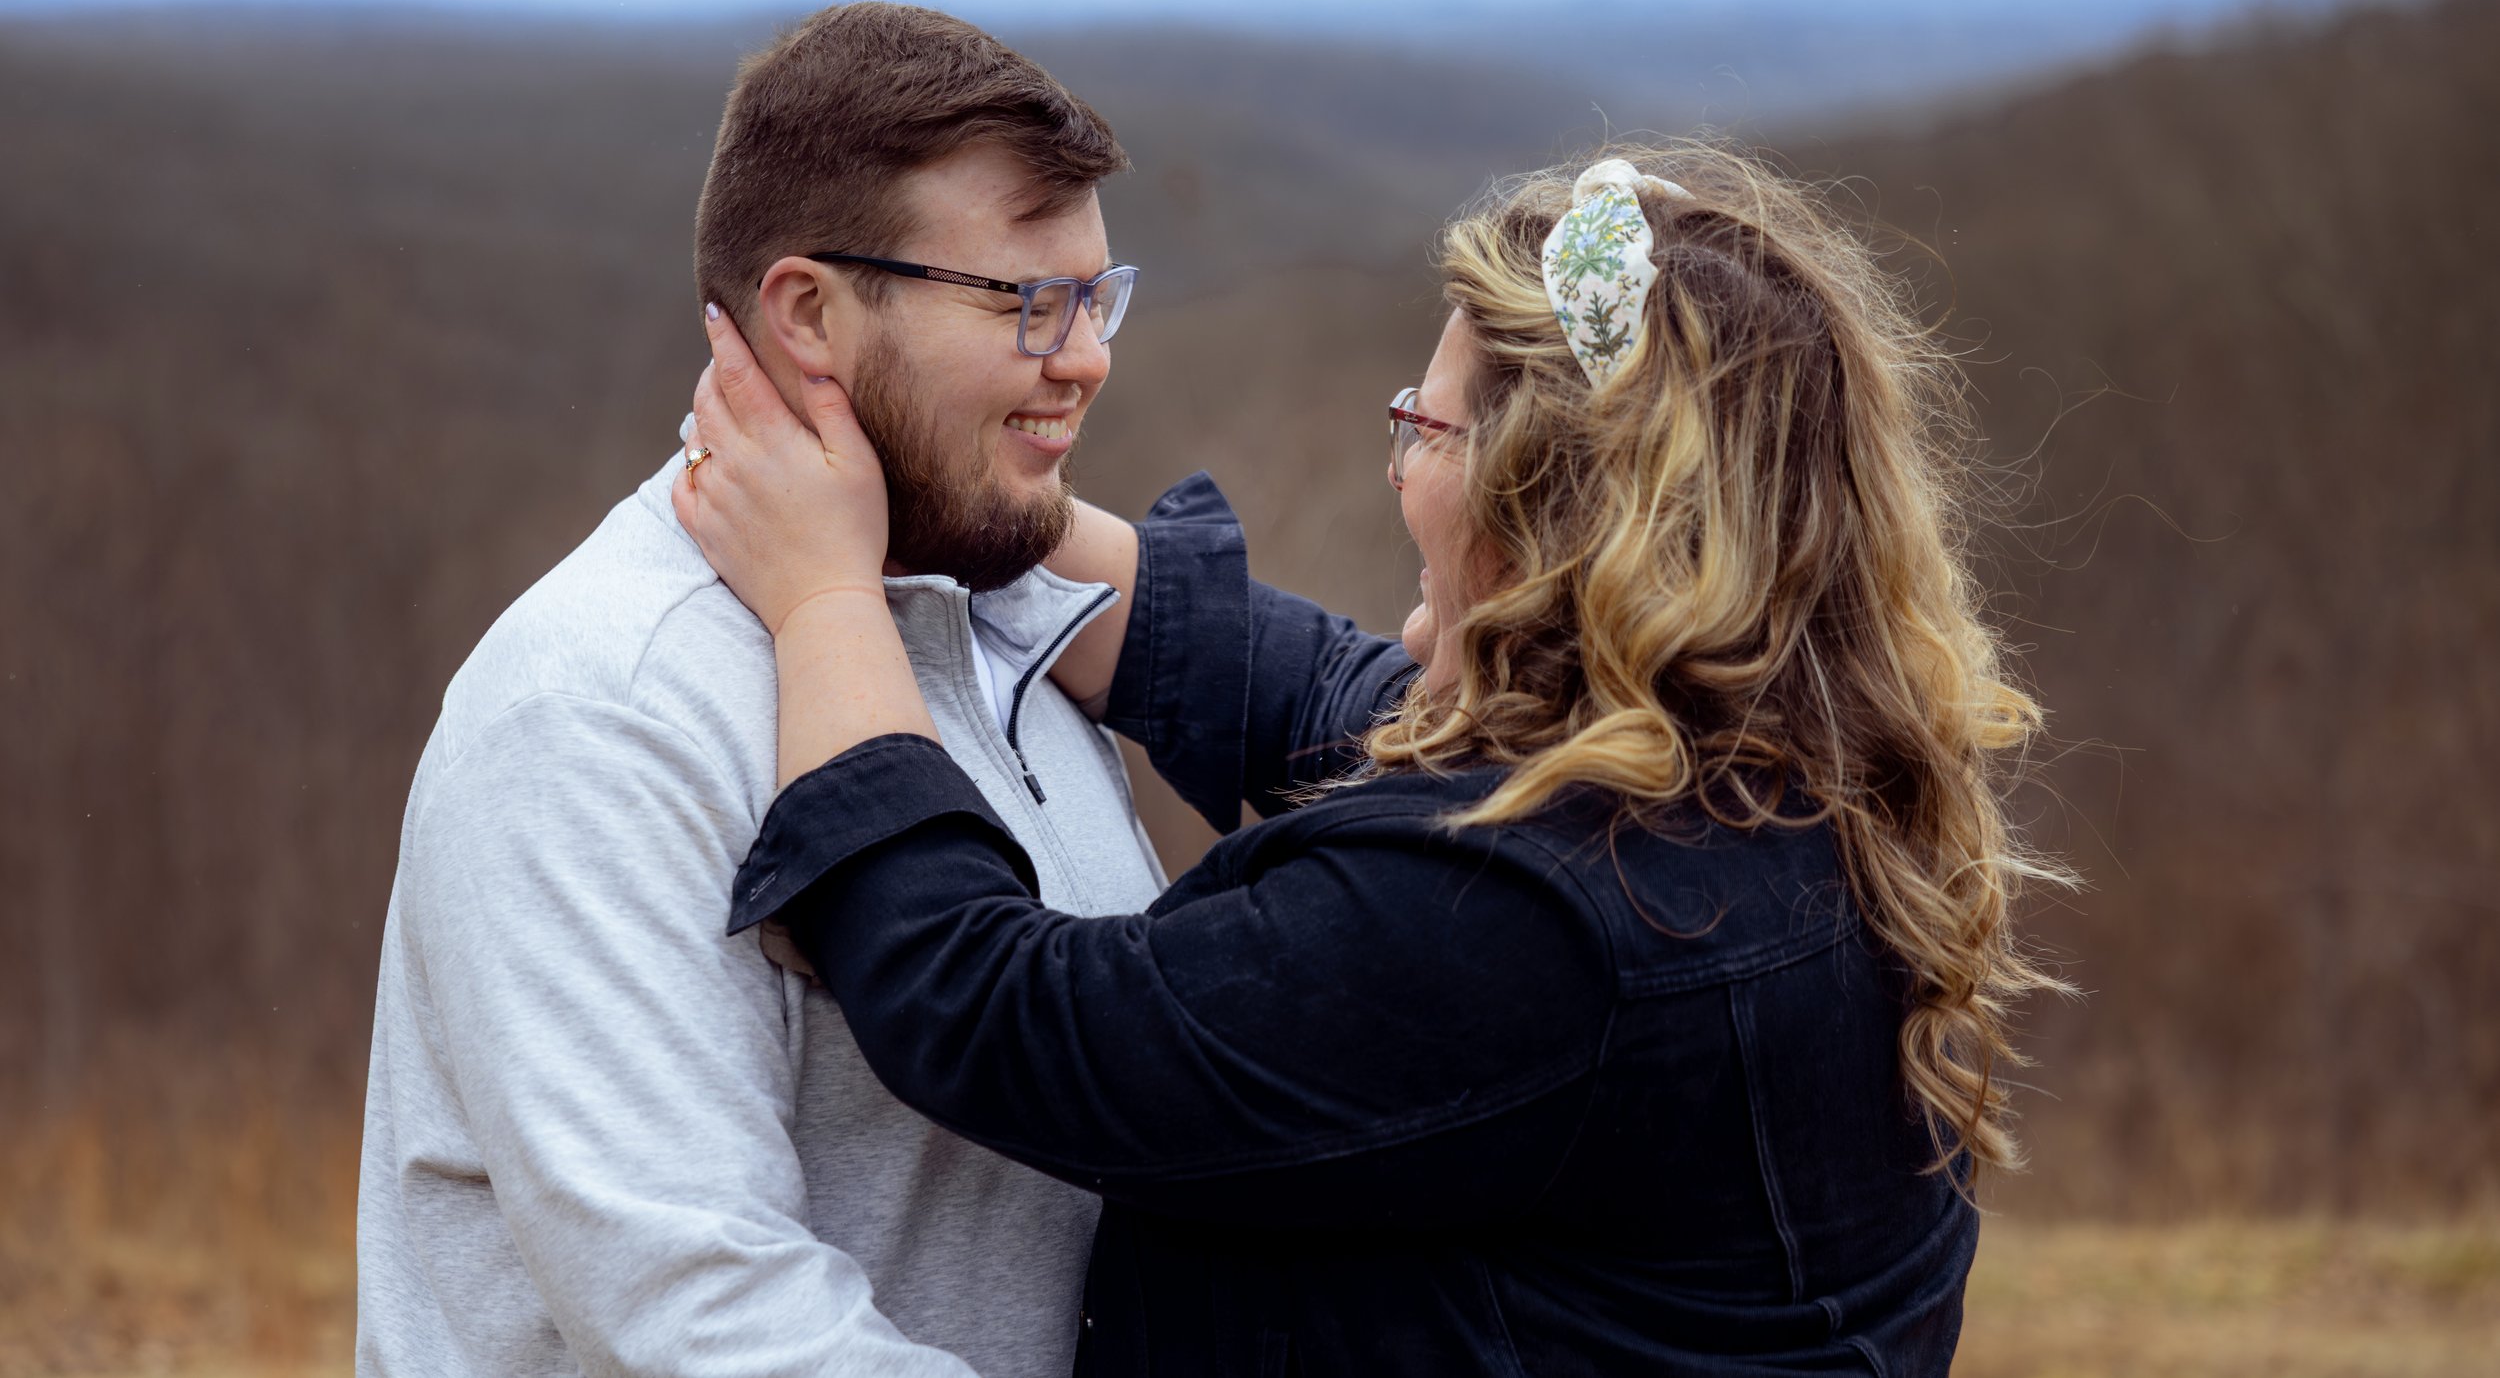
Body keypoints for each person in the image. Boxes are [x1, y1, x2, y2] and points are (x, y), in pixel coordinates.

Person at [674, 144, 2069, 1375]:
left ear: (1547, 501)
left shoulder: (1528, 921)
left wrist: (824, 597)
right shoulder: (1776, 777)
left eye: (1428, 428)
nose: (1398, 467)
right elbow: (1353, 705)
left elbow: (1001, 1014)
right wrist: (984, 508)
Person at [356, 3, 1171, 1376]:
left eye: (1098, 295)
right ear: (807, 315)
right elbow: (708, 1324)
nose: (1086, 356)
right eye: (1027, 302)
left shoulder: (1003, 622)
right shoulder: (602, 712)